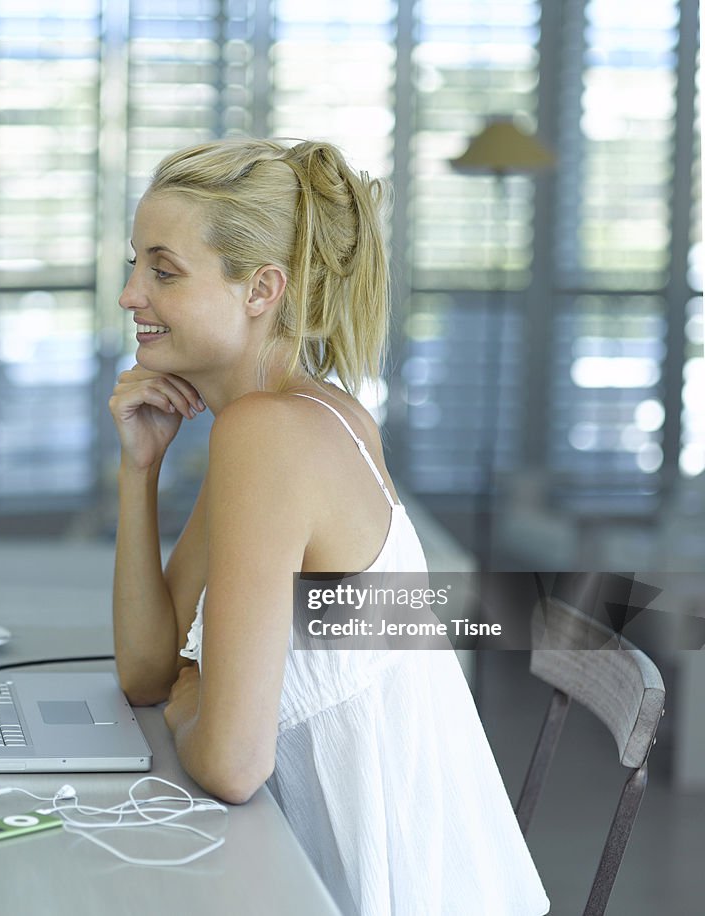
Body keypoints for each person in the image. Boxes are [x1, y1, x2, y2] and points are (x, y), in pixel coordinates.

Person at [109, 138, 549, 916]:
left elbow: (230, 763)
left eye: (163, 270)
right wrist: (139, 471)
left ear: (262, 289)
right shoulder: (278, 418)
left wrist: (194, 700)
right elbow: (149, 671)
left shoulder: (270, 435)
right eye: (135, 266)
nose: (130, 295)